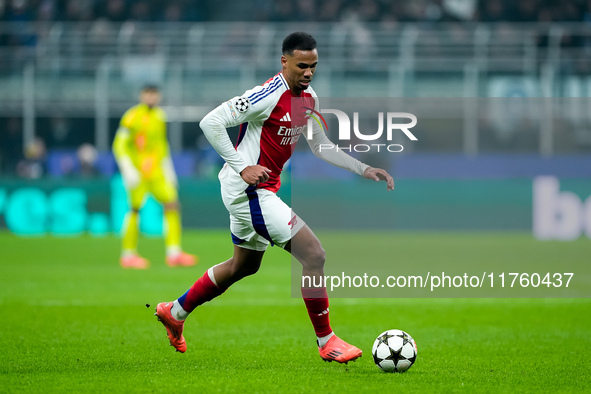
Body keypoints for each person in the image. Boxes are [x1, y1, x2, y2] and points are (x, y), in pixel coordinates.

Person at [155, 32, 393, 363]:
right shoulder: (267, 94)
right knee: (314, 254)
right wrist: (242, 167)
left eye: (313, 66)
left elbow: (319, 144)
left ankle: (175, 311)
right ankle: (327, 341)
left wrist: (362, 168)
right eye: (301, 66)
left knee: (244, 265)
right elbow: (211, 122)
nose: (308, 73)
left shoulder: (310, 99)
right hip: (249, 190)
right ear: (284, 62)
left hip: (258, 189)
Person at [113, 85, 197, 269]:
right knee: (134, 210)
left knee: (172, 204)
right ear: (142, 96)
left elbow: (161, 145)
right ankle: (128, 255)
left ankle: (174, 253)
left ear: (158, 96)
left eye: (154, 95)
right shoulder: (132, 116)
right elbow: (119, 144)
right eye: (148, 94)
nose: (151, 98)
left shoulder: (160, 116)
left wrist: (169, 170)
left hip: (157, 172)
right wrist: (127, 169)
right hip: (138, 172)